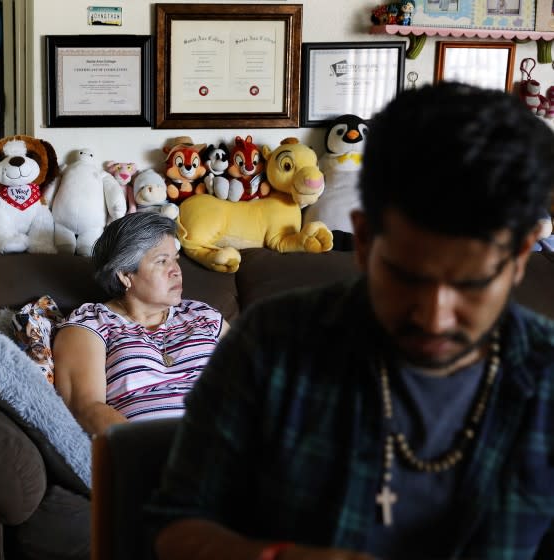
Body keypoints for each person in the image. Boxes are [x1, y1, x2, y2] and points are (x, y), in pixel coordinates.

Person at [148, 82, 554, 560]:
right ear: (362, 240)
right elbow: (173, 529)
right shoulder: (274, 343)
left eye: (472, 284)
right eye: (406, 276)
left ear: (522, 257)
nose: (434, 316)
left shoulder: (545, 379)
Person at [53, 212, 230, 435]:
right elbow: (85, 408)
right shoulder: (90, 324)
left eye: (175, 259)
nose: (176, 271)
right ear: (126, 275)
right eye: (162, 261)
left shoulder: (205, 316)